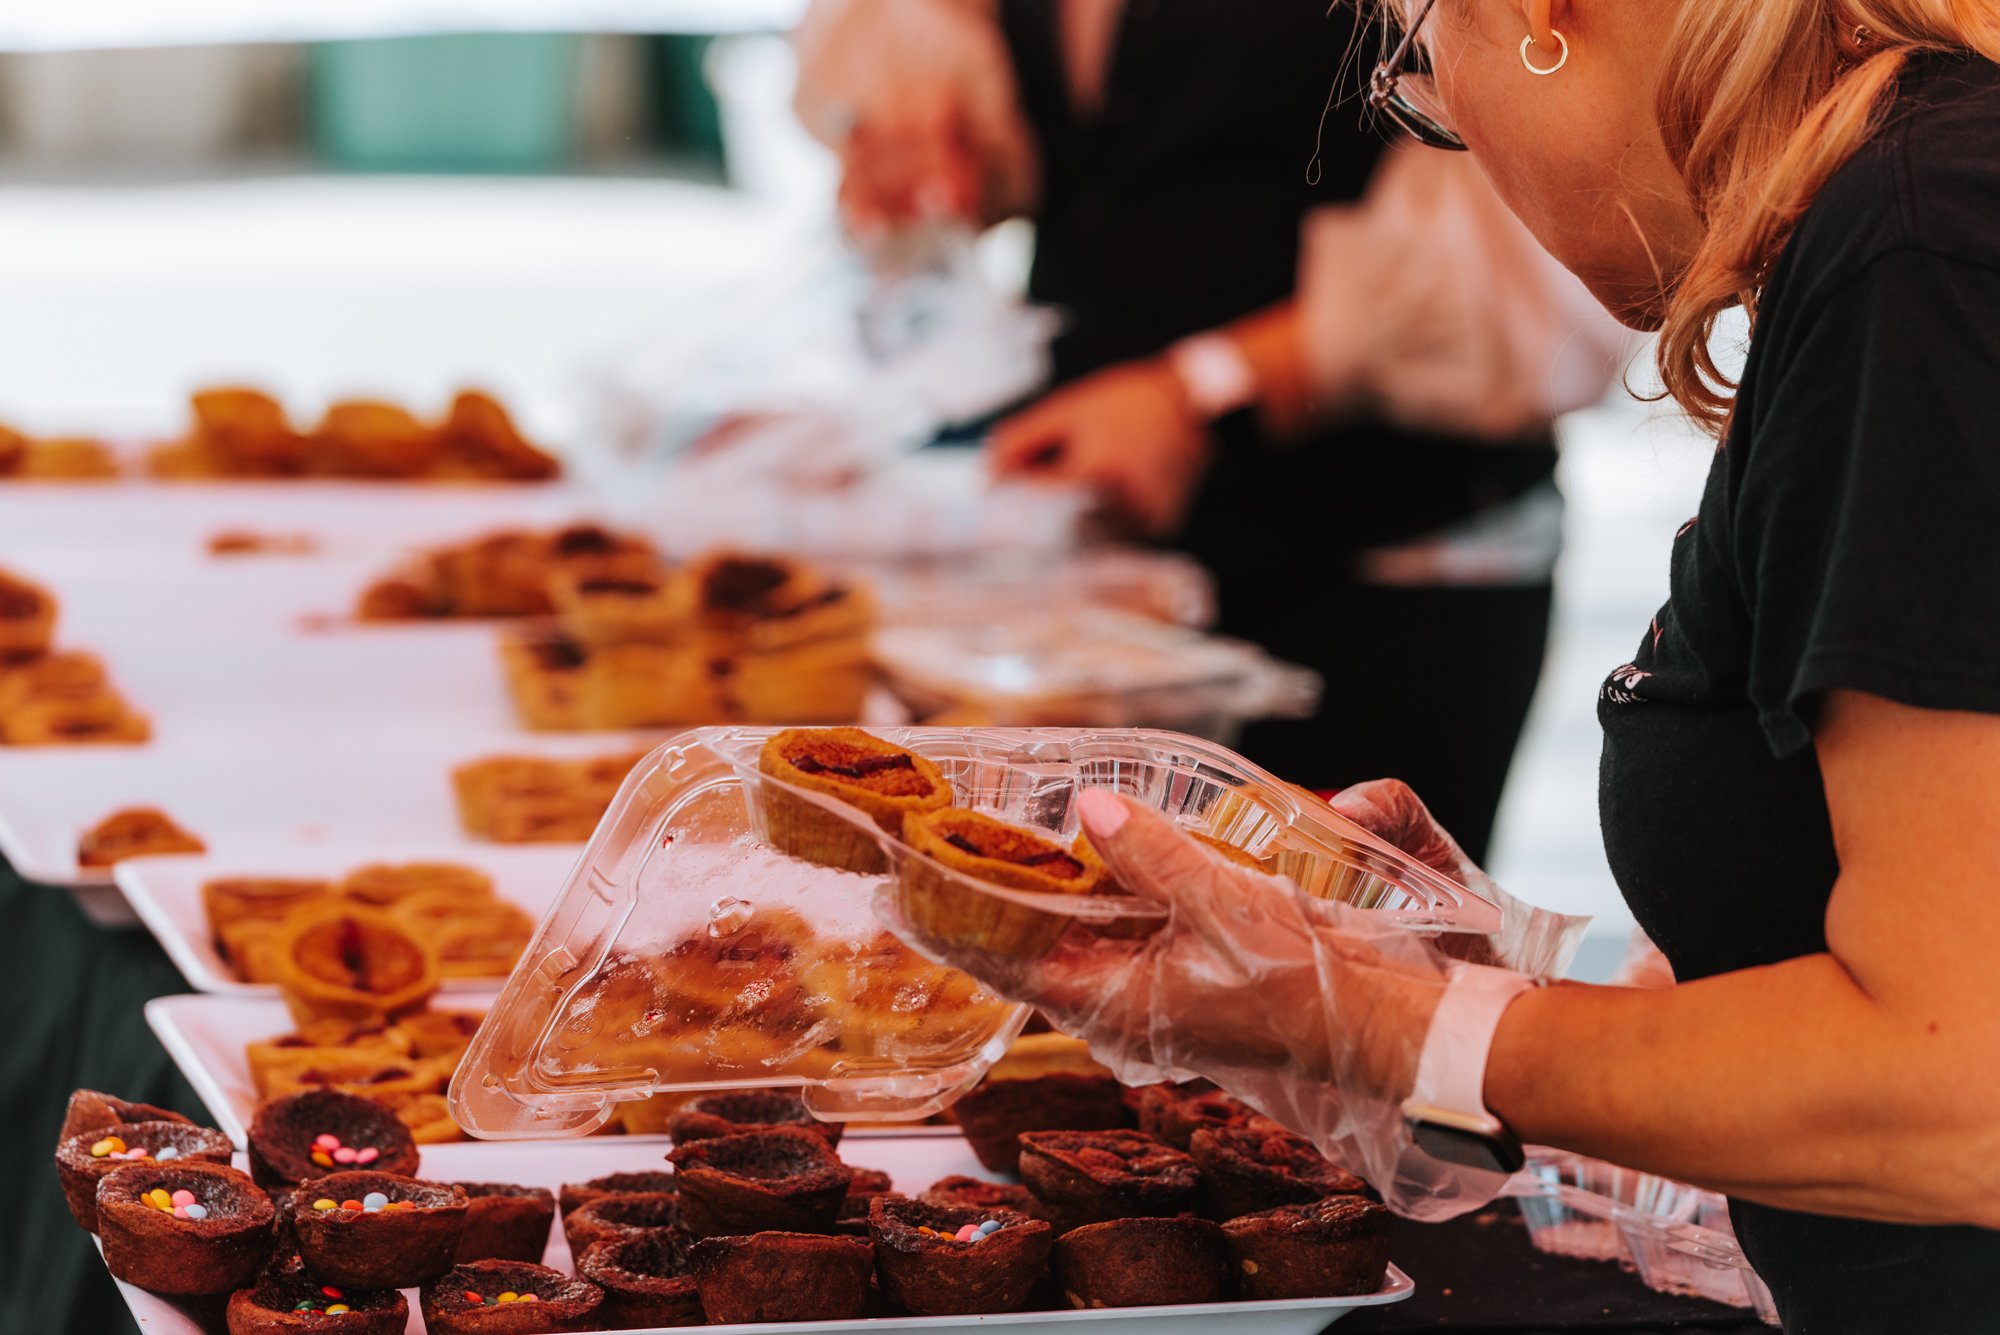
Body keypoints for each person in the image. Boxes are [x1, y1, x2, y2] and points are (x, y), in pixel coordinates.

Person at [879, 2, 2000, 1331]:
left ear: (1536, 15)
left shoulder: (1923, 238)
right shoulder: (1904, 208)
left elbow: (1955, 1088)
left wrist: (1361, 1013)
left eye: (1426, 90)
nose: (1457, 134)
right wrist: (1456, 984)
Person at [793, 0, 1626, 862]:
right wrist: (921, 111)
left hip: (1383, 567)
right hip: (1118, 567)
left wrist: (1199, 390)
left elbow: (1546, 266)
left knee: (1337, 963)